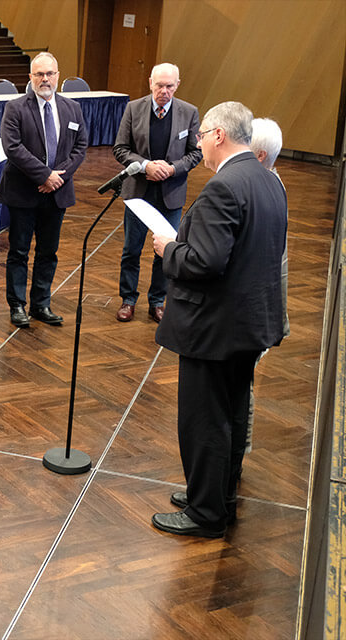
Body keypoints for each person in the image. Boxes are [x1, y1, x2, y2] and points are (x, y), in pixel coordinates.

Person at [150, 101, 287, 539]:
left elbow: (204, 263)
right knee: (231, 413)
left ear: (219, 135)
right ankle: (216, 495)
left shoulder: (224, 187)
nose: (198, 142)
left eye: (202, 134)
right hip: (249, 325)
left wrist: (168, 249)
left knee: (205, 420)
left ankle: (205, 513)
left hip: (214, 329)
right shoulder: (269, 181)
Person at [0, 51, 87, 329]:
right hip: (23, 193)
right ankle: (17, 306)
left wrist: (58, 178)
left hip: (56, 193)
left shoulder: (72, 108)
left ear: (58, 75)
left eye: (49, 74)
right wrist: (45, 174)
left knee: (48, 252)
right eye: (39, 74)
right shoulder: (15, 107)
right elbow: (12, 147)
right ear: (30, 77)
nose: (45, 79)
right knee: (19, 252)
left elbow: (80, 146)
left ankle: (41, 303)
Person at [113, 62, 201, 323]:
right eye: (159, 85)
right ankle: (127, 299)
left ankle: (157, 301)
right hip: (138, 192)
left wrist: (172, 169)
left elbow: (196, 153)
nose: (164, 91)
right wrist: (146, 166)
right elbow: (120, 149)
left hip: (170, 193)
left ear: (177, 85)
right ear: (150, 83)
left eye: (169, 86)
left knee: (166, 250)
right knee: (132, 249)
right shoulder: (133, 108)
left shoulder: (190, 112)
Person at [244, 117, 290, 453]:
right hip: (261, 310)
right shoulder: (275, 185)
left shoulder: (259, 193)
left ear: (259, 155)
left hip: (251, 315)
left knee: (238, 388)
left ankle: (234, 460)